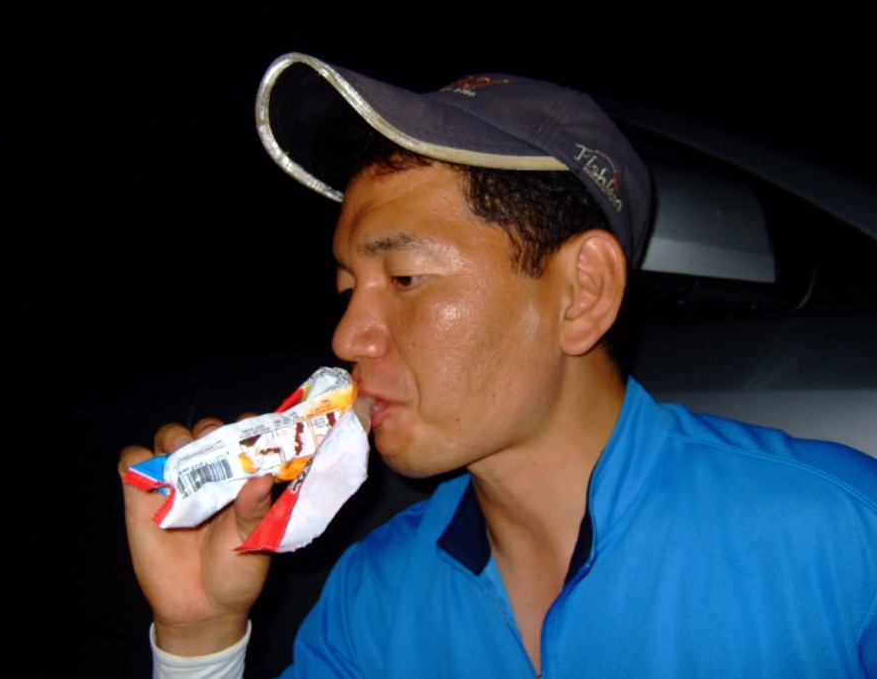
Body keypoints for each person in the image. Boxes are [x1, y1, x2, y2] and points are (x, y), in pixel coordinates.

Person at [119, 52, 877, 677]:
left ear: (582, 292)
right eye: (348, 289)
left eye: (405, 278)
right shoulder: (373, 598)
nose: (348, 338)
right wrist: (200, 641)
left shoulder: (842, 537)